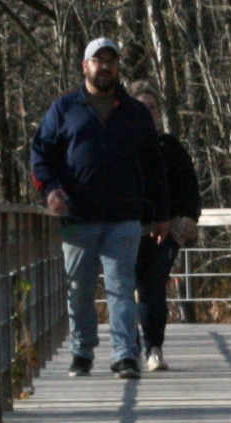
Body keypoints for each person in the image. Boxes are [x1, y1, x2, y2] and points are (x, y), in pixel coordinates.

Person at [31, 38, 169, 379]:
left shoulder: (135, 113)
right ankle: (82, 351)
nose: (105, 66)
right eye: (98, 60)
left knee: (121, 286)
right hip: (77, 217)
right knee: (78, 289)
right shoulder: (64, 110)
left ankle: (125, 355)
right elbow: (40, 155)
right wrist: (50, 190)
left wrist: (162, 211)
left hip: (124, 216)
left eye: (111, 60)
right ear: (85, 66)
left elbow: (154, 164)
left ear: (118, 66)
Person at [130, 86, 205, 372]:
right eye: (141, 107)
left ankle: (153, 348)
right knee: (124, 289)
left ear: (159, 112)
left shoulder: (171, 148)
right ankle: (128, 349)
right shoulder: (121, 147)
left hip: (163, 229)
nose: (147, 112)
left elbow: (190, 189)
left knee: (152, 287)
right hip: (126, 229)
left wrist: (189, 217)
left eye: (152, 107)